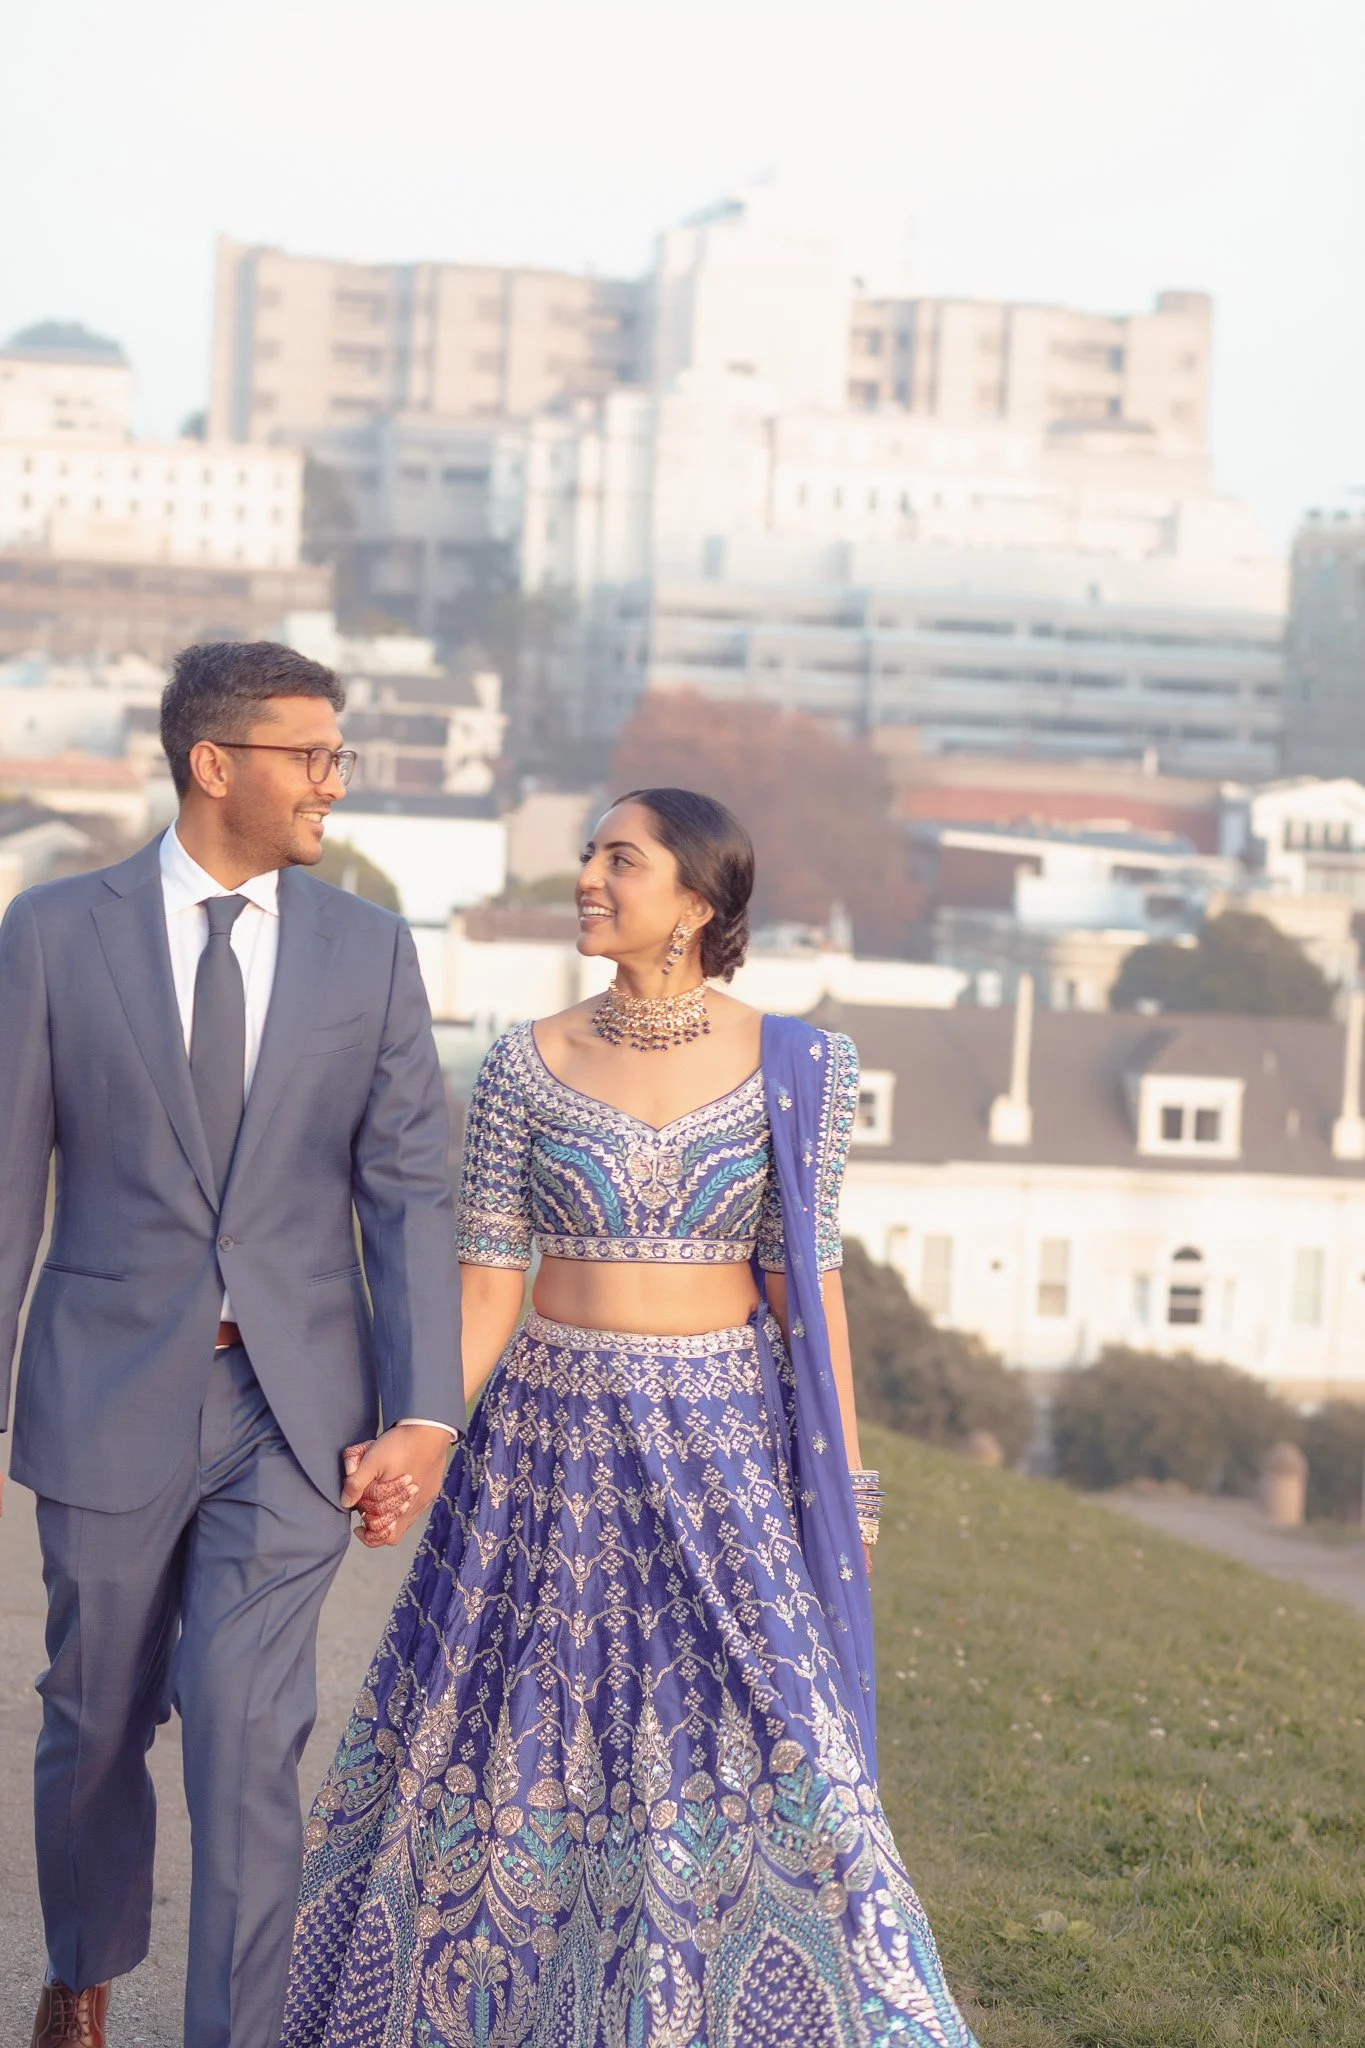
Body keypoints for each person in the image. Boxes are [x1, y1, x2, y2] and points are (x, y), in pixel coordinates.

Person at [285, 787, 978, 2047]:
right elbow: (488, 1274)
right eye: (589, 856)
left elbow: (807, 1287)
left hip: (724, 1447)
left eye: (622, 858)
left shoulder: (801, 1065)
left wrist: (849, 1490)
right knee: (523, 1729)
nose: (590, 878)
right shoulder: (522, 1060)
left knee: (762, 1729)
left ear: (697, 900)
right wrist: (424, 1430)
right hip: (548, 1441)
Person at [0, 642, 464, 2048]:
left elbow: (410, 1188)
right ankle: (81, 1961)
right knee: (94, 1716)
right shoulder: (53, 932)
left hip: (294, 1405)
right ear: (216, 764)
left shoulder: (368, 950)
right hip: (105, 1390)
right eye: (310, 755)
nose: (336, 782)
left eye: (341, 756)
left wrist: (422, 1409)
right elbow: (7, 1175)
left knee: (248, 1735)